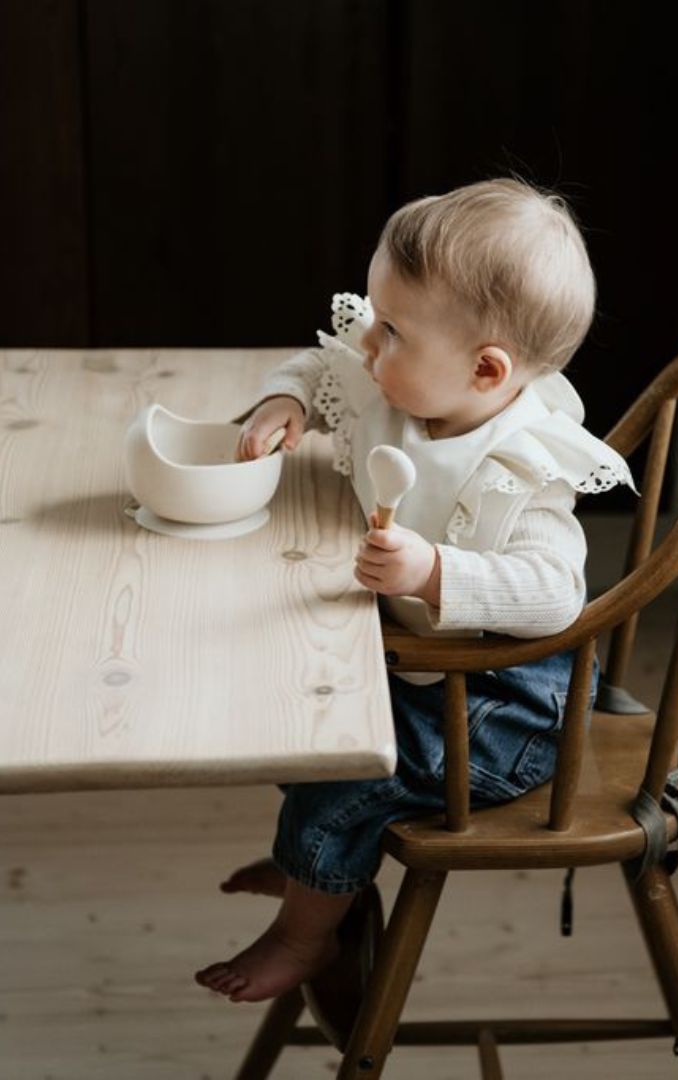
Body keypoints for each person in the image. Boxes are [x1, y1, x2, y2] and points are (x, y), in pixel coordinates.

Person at [194, 178, 635, 1003]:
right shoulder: (404, 380)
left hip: (500, 708)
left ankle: (306, 928)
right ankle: (320, 869)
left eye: (391, 330)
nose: (370, 345)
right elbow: (326, 360)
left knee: (343, 775)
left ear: (486, 368)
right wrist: (288, 400)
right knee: (297, 709)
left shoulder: (523, 466)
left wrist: (435, 572)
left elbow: (553, 595)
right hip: (415, 664)